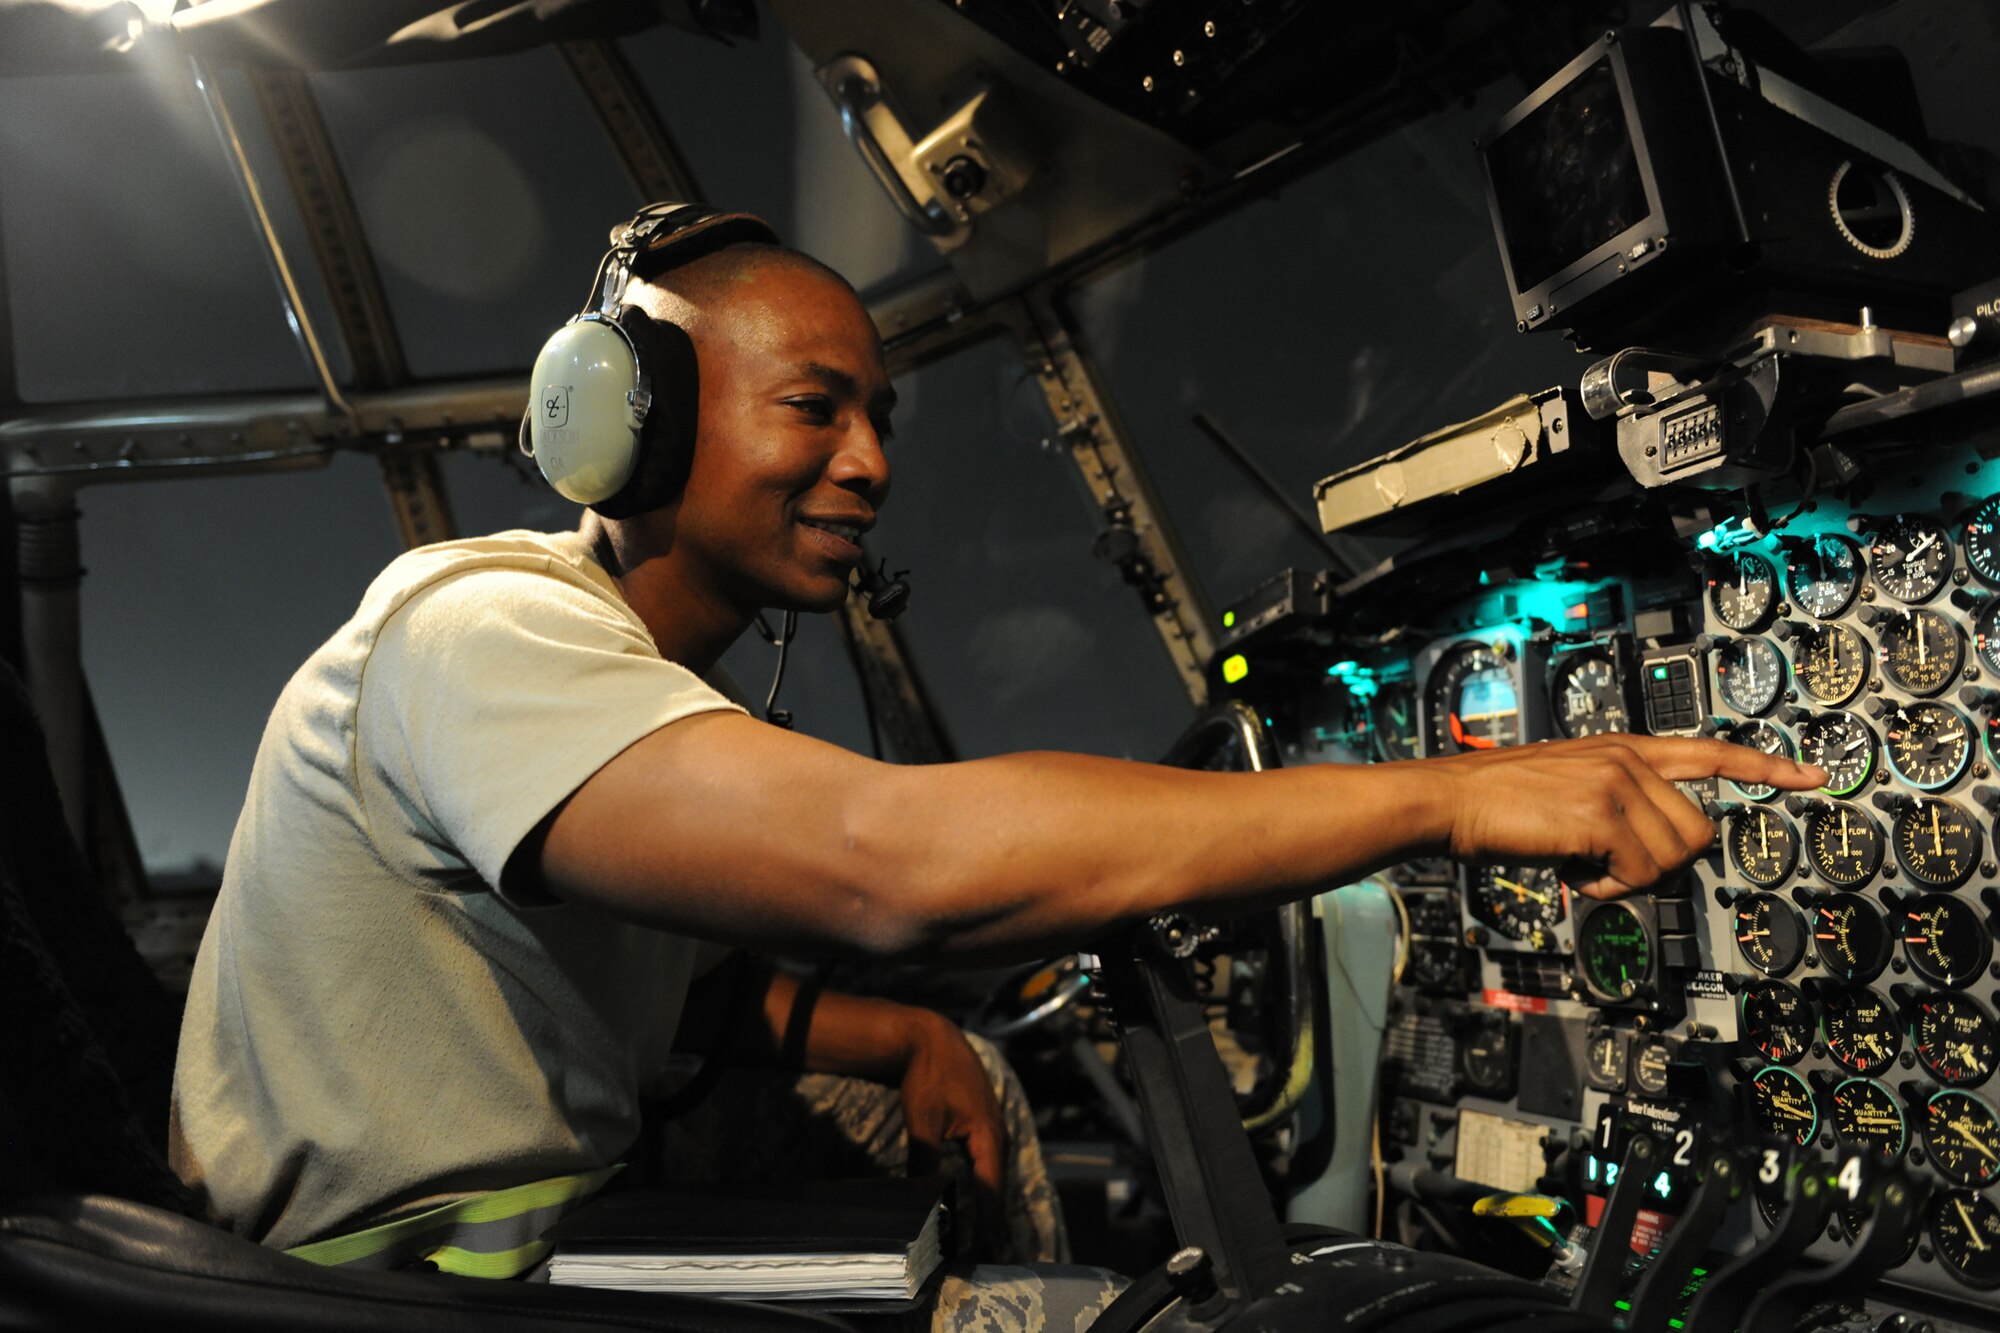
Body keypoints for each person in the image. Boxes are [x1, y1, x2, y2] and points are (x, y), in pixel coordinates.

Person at [169, 204, 1823, 1315]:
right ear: (629, 426)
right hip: (386, 1294)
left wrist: (898, 1037)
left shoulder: (611, 694)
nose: (871, 461)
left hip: (474, 1258)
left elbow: (645, 989)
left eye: (880, 417)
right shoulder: (477, 632)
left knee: (1000, 1161)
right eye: (815, 409)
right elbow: (888, 864)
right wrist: (1455, 793)